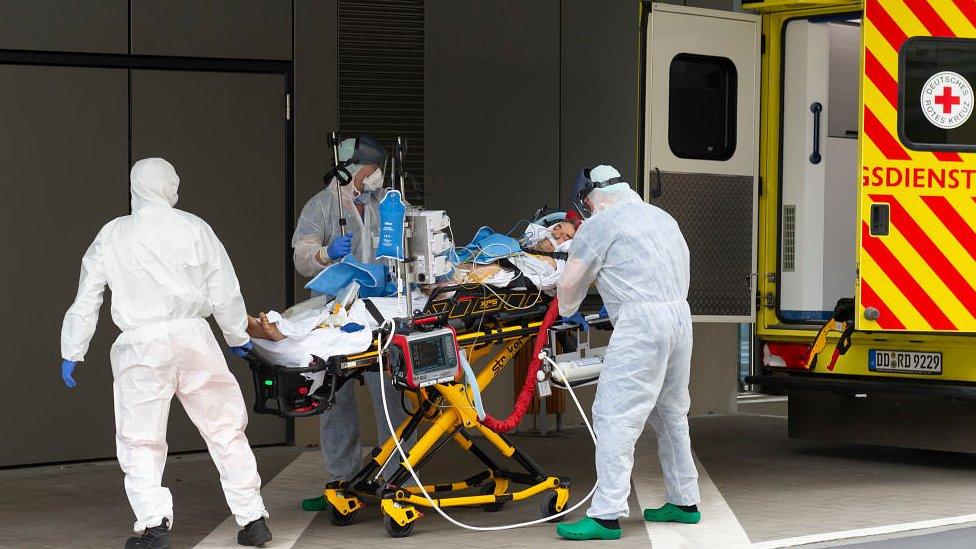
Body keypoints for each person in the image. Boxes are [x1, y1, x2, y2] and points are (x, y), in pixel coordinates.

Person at [59, 158, 272, 548]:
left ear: (134, 187)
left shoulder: (113, 234)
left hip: (141, 345)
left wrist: (73, 348)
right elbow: (224, 286)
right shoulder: (195, 227)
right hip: (194, 337)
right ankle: (253, 517)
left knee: (140, 439)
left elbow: (88, 294)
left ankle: (154, 526)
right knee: (225, 428)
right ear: (170, 185)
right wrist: (236, 334)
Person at [555, 165, 700, 541]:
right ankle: (685, 502)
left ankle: (605, 515)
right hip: (679, 318)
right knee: (671, 412)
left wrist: (570, 302)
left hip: (641, 325)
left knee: (614, 415)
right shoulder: (662, 216)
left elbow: (569, 293)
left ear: (592, 197)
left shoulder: (599, 225)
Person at [292, 136, 413, 510]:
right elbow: (302, 254)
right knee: (336, 395)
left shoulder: (388, 204)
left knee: (389, 391)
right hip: (340, 312)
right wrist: (326, 253)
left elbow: (415, 239)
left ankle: (396, 474)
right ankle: (341, 479)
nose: (378, 175)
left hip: (381, 312)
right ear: (356, 169)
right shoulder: (322, 206)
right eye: (374, 168)